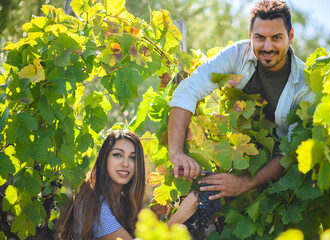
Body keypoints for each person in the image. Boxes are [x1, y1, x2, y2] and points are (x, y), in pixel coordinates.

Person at [168, 0, 315, 200]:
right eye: (260, 37)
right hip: (241, 157)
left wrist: (244, 184)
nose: (267, 46)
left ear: (290, 36)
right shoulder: (236, 54)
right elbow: (189, 89)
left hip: (288, 178)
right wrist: (176, 152)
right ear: (250, 35)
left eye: (277, 38)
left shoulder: (306, 85)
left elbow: (291, 150)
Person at [57, 130, 198, 240]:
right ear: (104, 159)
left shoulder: (122, 201)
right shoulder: (95, 205)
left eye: (132, 157)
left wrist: (154, 214)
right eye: (118, 155)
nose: (125, 163)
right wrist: (178, 217)